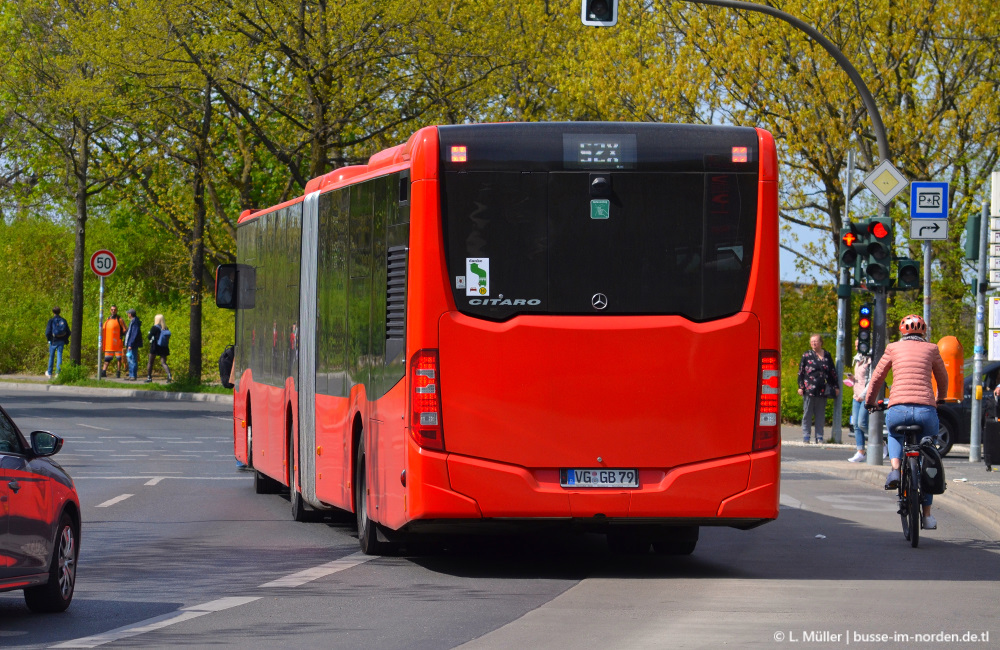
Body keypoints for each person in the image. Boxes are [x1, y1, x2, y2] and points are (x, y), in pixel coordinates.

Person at [865, 314, 948, 530]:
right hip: (925, 411)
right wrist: (940, 398)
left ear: (903, 331)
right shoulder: (931, 349)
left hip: (898, 409)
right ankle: (928, 516)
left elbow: (877, 377)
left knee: (893, 433)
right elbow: (943, 377)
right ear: (923, 332)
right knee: (928, 456)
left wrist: (869, 402)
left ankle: (895, 469)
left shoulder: (893, 348)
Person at [797, 333, 839, 444]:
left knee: (820, 414)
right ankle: (806, 436)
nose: (814, 343)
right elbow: (801, 372)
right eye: (812, 342)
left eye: (815, 341)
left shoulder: (827, 355)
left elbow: (832, 372)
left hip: (822, 390)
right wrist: (800, 387)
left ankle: (819, 436)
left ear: (821, 342)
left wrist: (835, 386)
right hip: (809, 389)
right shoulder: (807, 355)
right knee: (807, 413)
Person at [846, 339, 872, 462]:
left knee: (862, 423)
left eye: (858, 345)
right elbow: (859, 378)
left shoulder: (871, 359)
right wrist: (852, 378)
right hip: (856, 395)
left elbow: (871, 380)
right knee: (855, 424)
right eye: (855, 346)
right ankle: (860, 451)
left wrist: (863, 394)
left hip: (865, 396)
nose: (856, 348)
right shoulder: (856, 358)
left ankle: (879, 442)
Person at [44, 306, 71, 378]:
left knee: (51, 357)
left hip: (53, 341)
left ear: (53, 312)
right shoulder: (63, 320)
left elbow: (47, 332)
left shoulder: (51, 321)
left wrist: (49, 339)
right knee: (59, 356)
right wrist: (65, 339)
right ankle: (58, 373)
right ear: (60, 312)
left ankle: (49, 373)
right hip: (61, 341)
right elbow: (68, 332)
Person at [100, 305, 126, 379]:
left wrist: (122, 337)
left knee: (119, 358)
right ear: (110, 310)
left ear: (116, 310)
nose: (113, 311)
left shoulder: (119, 319)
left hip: (117, 343)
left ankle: (118, 372)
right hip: (109, 344)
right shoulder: (108, 319)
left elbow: (125, 329)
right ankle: (103, 372)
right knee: (107, 359)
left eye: (114, 309)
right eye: (112, 309)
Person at [145, 314, 172, 383]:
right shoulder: (166, 328)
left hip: (155, 346)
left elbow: (149, 337)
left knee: (150, 362)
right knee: (163, 362)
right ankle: (169, 375)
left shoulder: (154, 328)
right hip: (164, 347)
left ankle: (149, 377)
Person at [123, 309, 143, 381]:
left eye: (128, 313)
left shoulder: (135, 322)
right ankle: (131, 374)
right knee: (129, 359)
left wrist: (130, 344)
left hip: (132, 344)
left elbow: (134, 334)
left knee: (132, 360)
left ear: (130, 314)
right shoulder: (132, 321)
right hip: (129, 344)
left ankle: (133, 375)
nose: (127, 314)